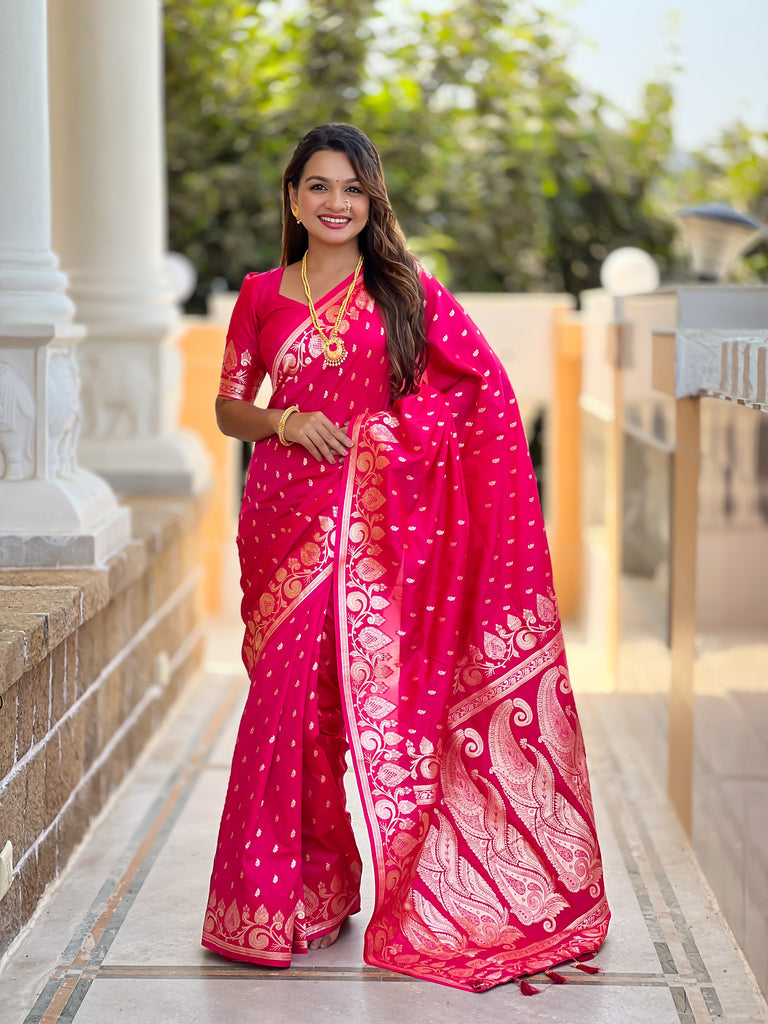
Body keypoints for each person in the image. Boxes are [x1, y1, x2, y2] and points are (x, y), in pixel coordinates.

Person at [202, 123, 610, 993]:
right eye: (318, 186)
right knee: (284, 709)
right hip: (281, 519)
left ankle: (350, 888)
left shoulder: (407, 296)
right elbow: (229, 407)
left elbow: (480, 394)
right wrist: (281, 421)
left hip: (376, 529)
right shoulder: (261, 295)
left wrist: (382, 437)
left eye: (352, 188)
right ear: (292, 198)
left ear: (371, 199)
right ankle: (297, 895)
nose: (335, 203)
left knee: (346, 710)